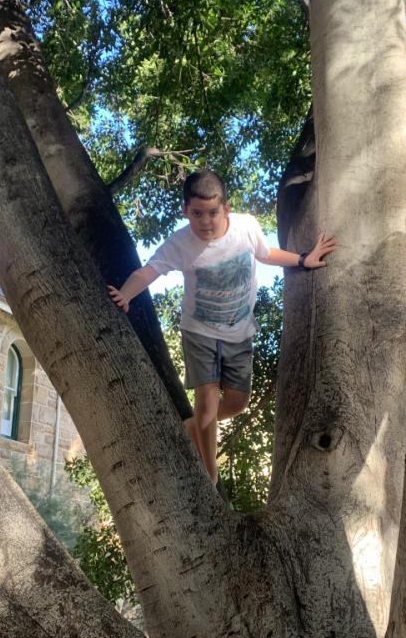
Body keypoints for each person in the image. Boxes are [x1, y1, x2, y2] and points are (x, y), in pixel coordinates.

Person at [108, 169, 336, 483]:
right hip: (199, 332)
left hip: (239, 331)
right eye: (197, 213)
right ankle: (210, 477)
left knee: (237, 404)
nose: (205, 221)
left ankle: (192, 428)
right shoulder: (181, 244)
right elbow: (148, 272)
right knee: (206, 404)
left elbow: (265, 254)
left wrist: (302, 259)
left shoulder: (246, 228)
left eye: (213, 213)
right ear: (185, 211)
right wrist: (125, 294)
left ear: (226, 209)